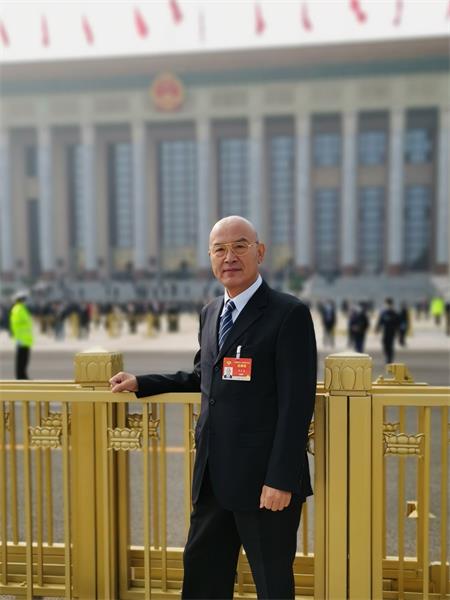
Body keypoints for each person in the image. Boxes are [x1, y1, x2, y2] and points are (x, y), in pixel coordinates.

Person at [110, 216, 317, 600]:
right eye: (219, 249)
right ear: (210, 257)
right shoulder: (211, 312)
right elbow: (204, 375)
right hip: (213, 477)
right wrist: (144, 382)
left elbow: (297, 403)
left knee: (272, 583)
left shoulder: (288, 314)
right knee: (203, 576)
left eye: (239, 246)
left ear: (260, 252)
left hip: (264, 483)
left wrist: (282, 478)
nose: (229, 257)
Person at [9, 290, 34, 379]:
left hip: (24, 338)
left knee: (24, 359)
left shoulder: (21, 308)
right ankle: (21, 376)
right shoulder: (18, 309)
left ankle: (23, 376)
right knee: (22, 359)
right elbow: (17, 322)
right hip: (22, 338)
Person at [375, 297, 399, 364]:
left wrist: (398, 332)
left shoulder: (394, 313)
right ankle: (387, 356)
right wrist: (377, 329)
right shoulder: (383, 313)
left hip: (392, 332)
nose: (388, 305)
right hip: (385, 332)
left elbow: (398, 323)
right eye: (387, 304)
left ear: (392, 304)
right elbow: (380, 322)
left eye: (389, 304)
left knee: (390, 346)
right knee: (384, 344)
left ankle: (389, 359)